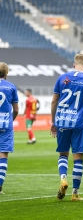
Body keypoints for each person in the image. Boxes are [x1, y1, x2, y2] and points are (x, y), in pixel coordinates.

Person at [50, 53, 83, 201]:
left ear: (74, 64)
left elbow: (54, 101)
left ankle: (63, 178)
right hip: (78, 122)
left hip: (62, 121)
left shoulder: (62, 78)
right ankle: (75, 193)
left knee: (63, 154)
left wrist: (54, 122)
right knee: (78, 157)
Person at [0, 62, 19, 194]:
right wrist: (10, 119)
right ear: (6, 73)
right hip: (5, 124)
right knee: (3, 154)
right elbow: (16, 109)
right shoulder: (11, 87)